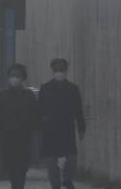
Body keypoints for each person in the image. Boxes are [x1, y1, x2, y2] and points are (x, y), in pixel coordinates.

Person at [38, 58, 85, 189]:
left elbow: (78, 109)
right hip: (50, 129)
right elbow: (39, 109)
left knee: (72, 156)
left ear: (66, 70)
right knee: (51, 159)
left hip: (67, 128)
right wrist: (38, 125)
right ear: (52, 70)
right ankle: (55, 185)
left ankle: (68, 179)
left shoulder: (73, 88)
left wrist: (81, 128)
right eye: (56, 69)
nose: (59, 72)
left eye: (62, 69)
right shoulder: (45, 88)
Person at [0, 64, 37, 189]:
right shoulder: (2, 94)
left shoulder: (29, 94)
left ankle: (20, 184)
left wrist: (35, 128)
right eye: (12, 75)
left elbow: (35, 113)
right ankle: (13, 182)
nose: (15, 78)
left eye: (18, 75)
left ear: (23, 77)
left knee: (22, 161)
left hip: (24, 134)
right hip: (6, 134)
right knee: (8, 161)